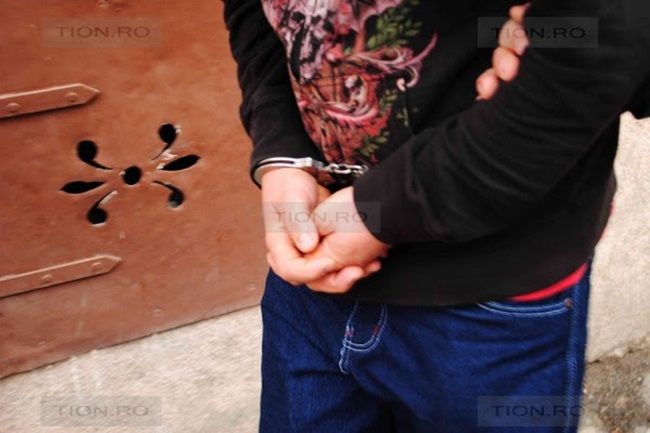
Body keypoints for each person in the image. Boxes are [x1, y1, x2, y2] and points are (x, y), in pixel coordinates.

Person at [223, 0, 650, 431]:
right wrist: (283, 158)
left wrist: (589, 38)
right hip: (311, 281)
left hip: (490, 299)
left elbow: (611, 40)